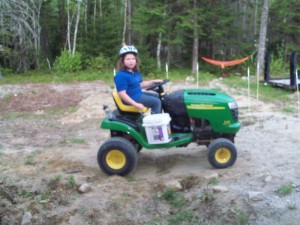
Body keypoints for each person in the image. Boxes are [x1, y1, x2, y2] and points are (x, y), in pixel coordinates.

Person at [114, 45, 162, 114]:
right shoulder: (121, 75)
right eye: (128, 59)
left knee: (160, 97)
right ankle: (156, 124)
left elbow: (141, 84)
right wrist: (136, 104)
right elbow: (122, 94)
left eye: (133, 59)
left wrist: (153, 81)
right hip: (131, 98)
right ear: (122, 61)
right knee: (156, 102)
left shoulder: (135, 72)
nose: (131, 61)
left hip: (138, 94)